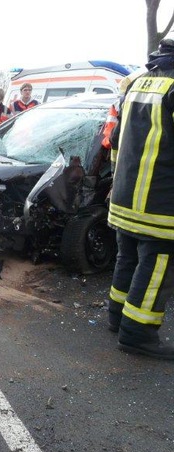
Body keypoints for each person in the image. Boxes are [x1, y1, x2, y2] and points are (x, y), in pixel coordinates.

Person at [106, 39, 174, 359]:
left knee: (128, 257)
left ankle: (117, 318)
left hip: (125, 196)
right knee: (157, 264)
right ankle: (138, 333)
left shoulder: (135, 82)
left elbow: (116, 140)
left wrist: (114, 183)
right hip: (161, 203)